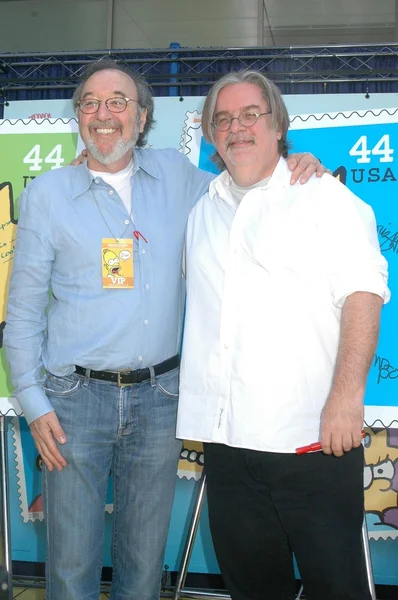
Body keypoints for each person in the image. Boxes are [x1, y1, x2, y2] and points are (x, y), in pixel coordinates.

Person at [4, 59, 325, 600]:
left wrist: (294, 163)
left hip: (160, 400)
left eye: (118, 102)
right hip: (72, 403)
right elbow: (26, 309)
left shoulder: (182, 178)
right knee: (71, 563)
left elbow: (248, 186)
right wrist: (34, 405)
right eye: (90, 103)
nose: (104, 115)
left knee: (142, 562)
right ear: (79, 116)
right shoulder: (48, 195)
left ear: (143, 114)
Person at [176, 69, 390, 600]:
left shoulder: (323, 198)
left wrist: (347, 398)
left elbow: (364, 294)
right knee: (253, 589)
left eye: (252, 115)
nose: (237, 127)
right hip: (228, 445)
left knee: (335, 588)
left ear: (278, 129)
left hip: (311, 442)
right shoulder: (201, 210)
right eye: (223, 119)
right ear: (210, 136)